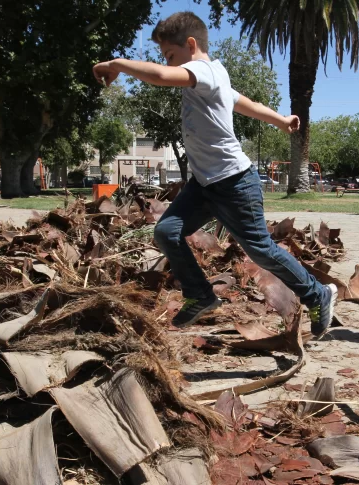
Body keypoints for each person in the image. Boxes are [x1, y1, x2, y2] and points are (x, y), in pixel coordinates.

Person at [92, 12, 337, 333]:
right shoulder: (215, 76)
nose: (170, 64)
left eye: (171, 55)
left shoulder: (203, 70)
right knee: (166, 232)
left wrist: (117, 64)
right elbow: (242, 102)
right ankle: (199, 294)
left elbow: (163, 77)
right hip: (204, 185)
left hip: (235, 182)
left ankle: (317, 293)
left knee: (261, 249)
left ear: (191, 45)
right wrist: (280, 120)